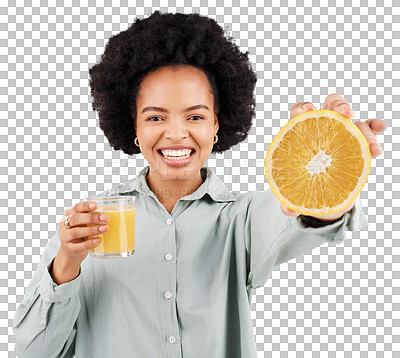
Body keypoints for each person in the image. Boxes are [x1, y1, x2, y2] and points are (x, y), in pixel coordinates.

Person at [12, 10, 387, 358]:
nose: (177, 134)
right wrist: (67, 263)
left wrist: (336, 157)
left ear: (216, 125)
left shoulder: (240, 220)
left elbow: (304, 211)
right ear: (135, 129)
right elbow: (34, 352)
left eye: (195, 115)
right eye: (156, 118)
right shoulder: (92, 224)